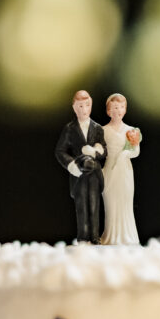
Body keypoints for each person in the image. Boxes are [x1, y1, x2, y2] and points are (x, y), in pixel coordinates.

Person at [55, 90, 107, 244]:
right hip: (79, 173)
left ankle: (95, 237)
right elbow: (60, 151)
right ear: (74, 108)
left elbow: (104, 150)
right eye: (80, 106)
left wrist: (96, 151)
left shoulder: (97, 128)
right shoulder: (70, 129)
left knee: (94, 205)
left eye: (87, 105)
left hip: (94, 173)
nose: (84, 110)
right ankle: (83, 238)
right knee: (81, 206)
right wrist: (72, 165)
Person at [99, 93, 140, 245]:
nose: (118, 110)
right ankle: (110, 236)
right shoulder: (102, 130)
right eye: (115, 107)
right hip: (110, 169)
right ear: (109, 111)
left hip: (125, 170)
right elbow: (99, 150)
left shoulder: (132, 130)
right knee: (110, 203)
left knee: (125, 203)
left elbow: (136, 151)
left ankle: (127, 236)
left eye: (121, 107)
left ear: (125, 110)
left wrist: (125, 154)